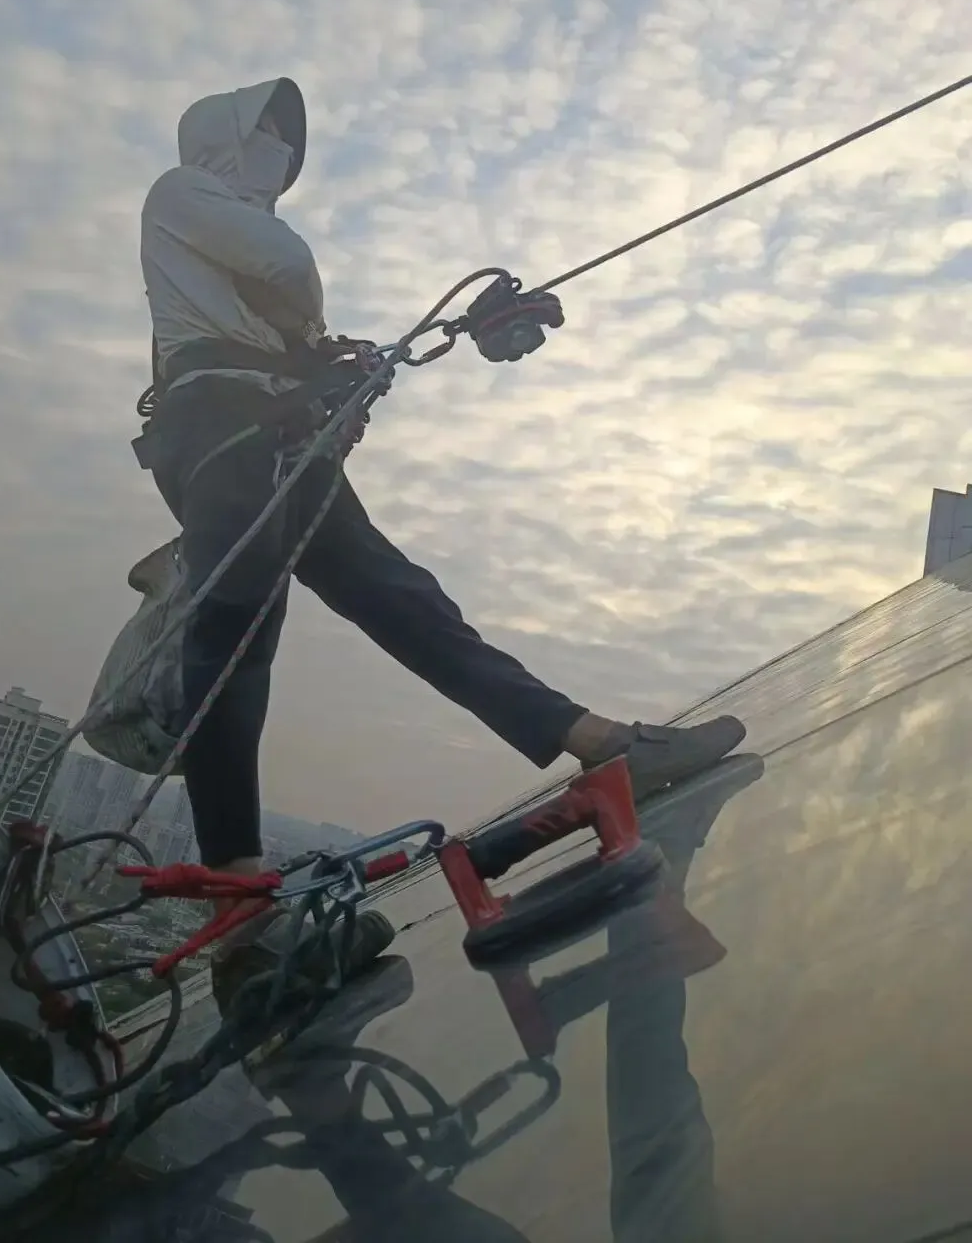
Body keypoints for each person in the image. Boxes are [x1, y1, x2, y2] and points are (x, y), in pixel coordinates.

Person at [138, 77, 746, 1013]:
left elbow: (283, 302)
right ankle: (244, 929)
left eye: (287, 142)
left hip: (274, 429)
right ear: (221, 135)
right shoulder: (181, 193)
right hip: (222, 426)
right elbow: (286, 264)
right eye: (265, 133)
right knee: (235, 631)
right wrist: (307, 336)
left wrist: (334, 356)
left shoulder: (228, 266)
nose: (279, 154)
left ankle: (597, 742)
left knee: (401, 599)